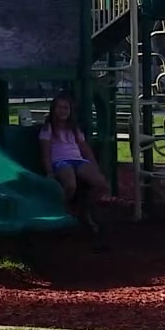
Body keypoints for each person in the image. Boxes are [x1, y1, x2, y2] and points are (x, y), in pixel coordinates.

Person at [38, 92, 108, 234]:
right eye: (59, 107)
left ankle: (84, 208)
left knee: (101, 184)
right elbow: (45, 151)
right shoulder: (49, 128)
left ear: (70, 111)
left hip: (77, 160)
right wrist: (49, 171)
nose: (62, 111)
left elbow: (85, 149)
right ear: (53, 109)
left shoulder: (74, 129)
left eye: (66, 108)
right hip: (61, 161)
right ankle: (62, 209)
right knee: (70, 184)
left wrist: (94, 166)